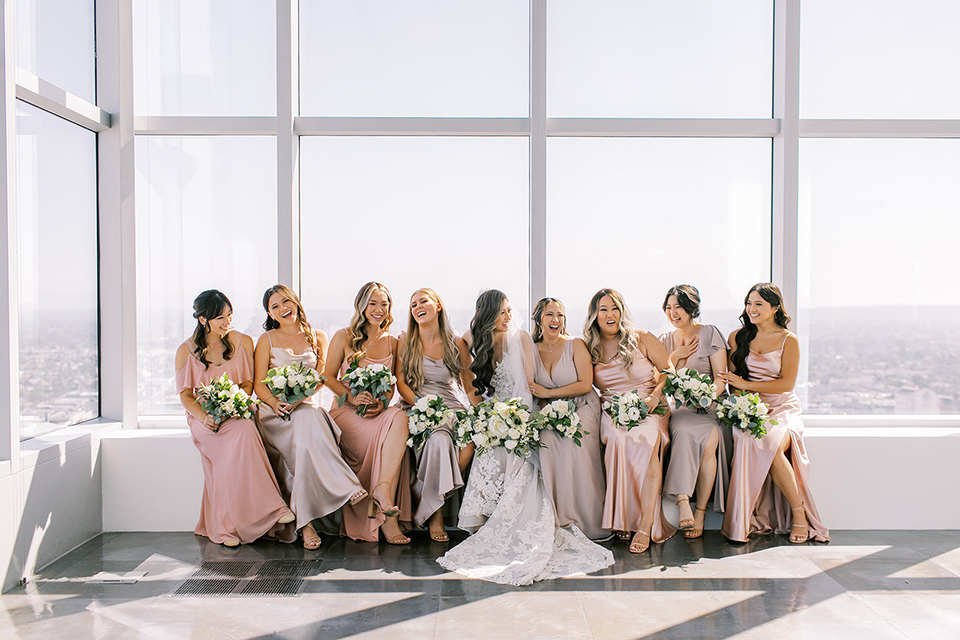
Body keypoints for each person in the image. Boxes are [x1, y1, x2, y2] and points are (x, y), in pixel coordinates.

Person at [438, 290, 613, 585]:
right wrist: (491, 418)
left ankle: (515, 524)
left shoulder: (520, 339)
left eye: (509, 311)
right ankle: (483, 523)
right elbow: (472, 390)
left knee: (515, 451)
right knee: (487, 450)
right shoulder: (474, 343)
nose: (508, 317)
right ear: (488, 314)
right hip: (495, 413)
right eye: (502, 312)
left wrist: (515, 418)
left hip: (522, 412)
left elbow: (529, 388)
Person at [174, 289, 295, 546]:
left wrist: (238, 405)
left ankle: (272, 509)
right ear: (203, 320)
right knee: (234, 440)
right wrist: (205, 417)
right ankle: (226, 528)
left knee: (246, 430)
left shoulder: (243, 342)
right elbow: (185, 396)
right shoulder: (185, 351)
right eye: (220, 318)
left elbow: (249, 383)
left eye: (230, 315)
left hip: (236, 412)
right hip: (204, 418)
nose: (227, 322)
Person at [253, 284, 369, 549]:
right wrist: (277, 402)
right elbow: (259, 384)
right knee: (311, 420)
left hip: (305, 407)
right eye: (275, 307)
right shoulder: (267, 339)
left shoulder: (318, 336)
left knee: (310, 424)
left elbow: (322, 378)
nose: (283, 309)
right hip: (276, 413)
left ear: (295, 302)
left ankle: (306, 524)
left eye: (286, 302)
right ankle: (347, 486)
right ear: (270, 314)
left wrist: (300, 398)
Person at [716, 283, 829, 543]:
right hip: (749, 405)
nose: (751, 309)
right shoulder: (737, 337)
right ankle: (743, 518)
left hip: (782, 406)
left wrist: (747, 385)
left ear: (775, 308)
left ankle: (799, 515)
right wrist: (744, 402)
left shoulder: (789, 340)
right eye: (749, 303)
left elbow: (786, 384)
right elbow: (732, 380)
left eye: (758, 304)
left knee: (770, 442)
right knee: (745, 438)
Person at [587, 288, 676, 553]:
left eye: (615, 308)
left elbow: (668, 370)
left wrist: (654, 397)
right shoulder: (588, 346)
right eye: (603, 309)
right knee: (616, 439)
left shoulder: (642, 338)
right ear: (595, 315)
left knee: (646, 439)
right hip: (613, 410)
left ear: (622, 311)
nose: (610, 314)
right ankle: (623, 518)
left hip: (650, 406)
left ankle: (646, 524)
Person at [323, 282, 413, 544]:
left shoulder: (394, 342)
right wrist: (352, 397)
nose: (379, 309)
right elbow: (328, 377)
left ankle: (383, 491)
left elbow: (394, 383)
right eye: (373, 303)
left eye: (384, 304)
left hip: (375, 412)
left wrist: (382, 403)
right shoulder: (344, 336)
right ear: (361, 306)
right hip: (346, 412)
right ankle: (388, 521)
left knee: (399, 416)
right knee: (390, 438)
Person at [528, 297, 608, 540]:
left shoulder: (576, 344)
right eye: (550, 315)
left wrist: (550, 394)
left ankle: (589, 520)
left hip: (583, 404)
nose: (556, 320)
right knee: (547, 440)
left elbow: (585, 384)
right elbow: (532, 388)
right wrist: (544, 406)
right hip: (551, 410)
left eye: (560, 315)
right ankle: (558, 517)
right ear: (539, 319)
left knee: (577, 440)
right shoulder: (532, 349)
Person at [396, 288, 472, 542]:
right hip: (417, 402)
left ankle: (424, 491)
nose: (417, 306)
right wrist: (420, 404)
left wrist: (481, 411)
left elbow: (469, 385)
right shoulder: (406, 340)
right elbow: (401, 382)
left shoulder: (456, 342)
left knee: (472, 441)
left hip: (449, 403)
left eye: (423, 301)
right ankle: (435, 514)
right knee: (439, 440)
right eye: (413, 304)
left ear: (437, 306)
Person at [659, 285, 730, 539]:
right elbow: (661, 381)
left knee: (710, 442)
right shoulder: (666, 341)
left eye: (678, 306)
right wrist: (676, 357)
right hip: (682, 409)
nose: (673, 312)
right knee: (683, 432)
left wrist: (706, 395)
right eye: (668, 307)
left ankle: (699, 512)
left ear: (691, 307)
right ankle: (682, 501)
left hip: (710, 405)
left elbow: (722, 379)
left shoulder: (710, 333)